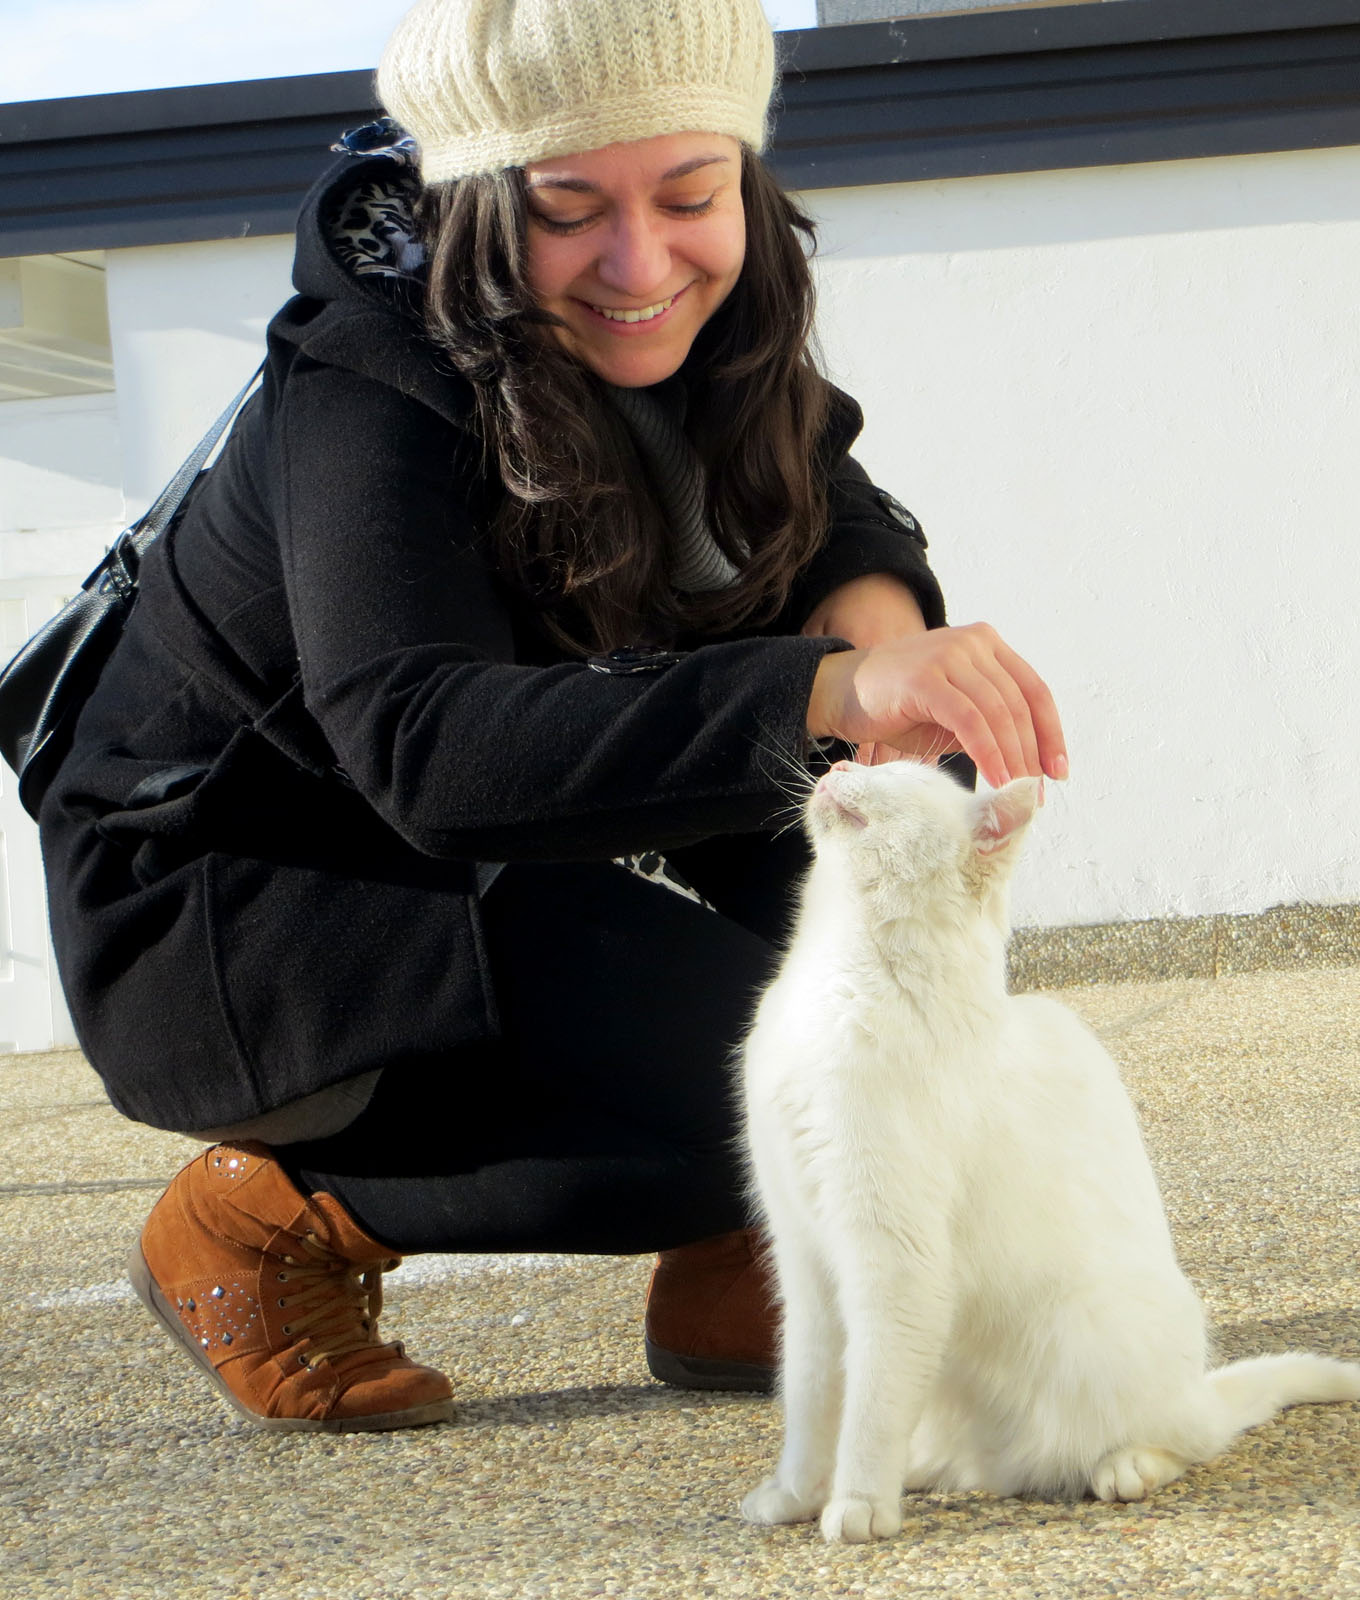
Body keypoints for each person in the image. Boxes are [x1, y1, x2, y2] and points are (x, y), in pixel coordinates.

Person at [39, 0, 1067, 1434]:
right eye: (567, 210)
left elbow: (815, 483)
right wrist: (817, 690)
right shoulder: (367, 374)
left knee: (895, 995)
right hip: (246, 895)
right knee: (754, 1096)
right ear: (470, 206)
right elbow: (427, 747)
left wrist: (875, 619)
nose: (640, 264)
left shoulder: (712, 304)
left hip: (498, 835)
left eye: (692, 196)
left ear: (744, 181)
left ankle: (746, 1261)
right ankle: (264, 1219)